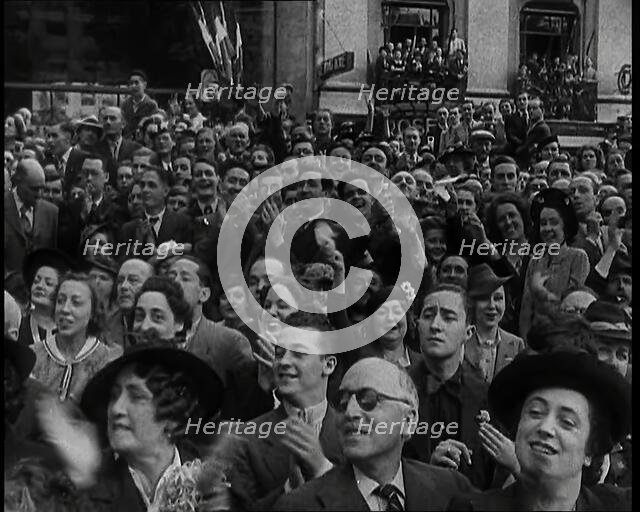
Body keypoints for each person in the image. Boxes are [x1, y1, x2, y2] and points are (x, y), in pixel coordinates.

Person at [37, 339, 227, 511]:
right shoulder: (87, 489)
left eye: (136, 396)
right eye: (113, 396)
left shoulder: (212, 483)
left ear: (174, 416)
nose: (117, 409)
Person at [274, 357, 475, 510]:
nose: (350, 412)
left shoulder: (451, 488)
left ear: (408, 420)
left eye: (368, 400)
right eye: (343, 402)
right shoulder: (298, 506)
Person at [449, 350, 632, 510]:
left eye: (567, 422)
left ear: (590, 450)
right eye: (535, 413)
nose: (545, 428)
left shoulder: (619, 506)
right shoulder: (470, 509)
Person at [228, 313, 343, 509]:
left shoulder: (354, 433)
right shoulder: (245, 439)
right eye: (280, 353)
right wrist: (289, 491)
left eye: (298, 353)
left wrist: (323, 473)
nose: (284, 362)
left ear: (328, 364)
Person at [406, 284, 495, 489]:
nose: (436, 325)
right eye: (428, 315)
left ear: (469, 332)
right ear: (417, 324)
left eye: (448, 317)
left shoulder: (486, 395)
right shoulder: (394, 389)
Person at [31, 272, 122, 402]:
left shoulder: (106, 361)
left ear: (93, 312)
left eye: (76, 302)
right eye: (60, 301)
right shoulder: (33, 356)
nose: (65, 309)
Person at [520, 188, 589, 341]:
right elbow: (526, 309)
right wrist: (525, 344)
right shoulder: (536, 259)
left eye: (554, 222)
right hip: (537, 338)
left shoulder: (578, 257)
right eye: (543, 223)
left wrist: (540, 292)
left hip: (566, 337)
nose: (547, 228)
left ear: (565, 225)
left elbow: (570, 306)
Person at [465, 264, 525, 383]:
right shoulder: (462, 341)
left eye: (498, 298)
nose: (492, 306)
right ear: (472, 302)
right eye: (484, 298)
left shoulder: (517, 344)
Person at [5, 159, 59, 274]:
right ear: (18, 182)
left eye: (42, 188)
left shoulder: (51, 212)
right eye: (34, 189)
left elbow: (53, 255)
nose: (39, 194)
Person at [121, 70, 159, 139]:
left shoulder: (151, 105)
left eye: (136, 83)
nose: (133, 86)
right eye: (131, 83)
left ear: (144, 85)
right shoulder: (125, 104)